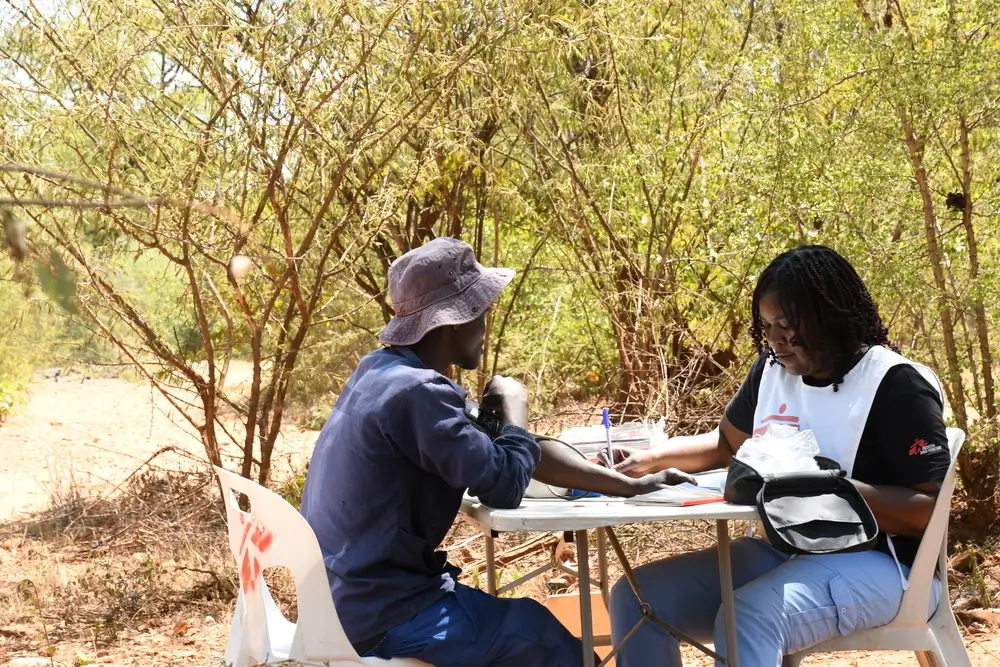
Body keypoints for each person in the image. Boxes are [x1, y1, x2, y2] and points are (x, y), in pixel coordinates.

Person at [300, 236, 694, 667]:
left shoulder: (384, 372)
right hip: (385, 612)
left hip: (344, 600)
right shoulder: (419, 393)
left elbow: (516, 451)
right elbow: (504, 485)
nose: (485, 329)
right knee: (543, 640)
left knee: (531, 627)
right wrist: (516, 407)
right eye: (482, 313)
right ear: (454, 322)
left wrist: (627, 485)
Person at [604, 245, 951, 667]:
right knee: (638, 597)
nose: (775, 339)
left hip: (885, 565)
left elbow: (926, 511)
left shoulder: (895, 384)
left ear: (830, 318)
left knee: (748, 616)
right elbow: (726, 444)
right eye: (767, 326)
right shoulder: (772, 369)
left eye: (787, 326)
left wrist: (828, 488)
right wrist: (650, 460)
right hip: (785, 548)